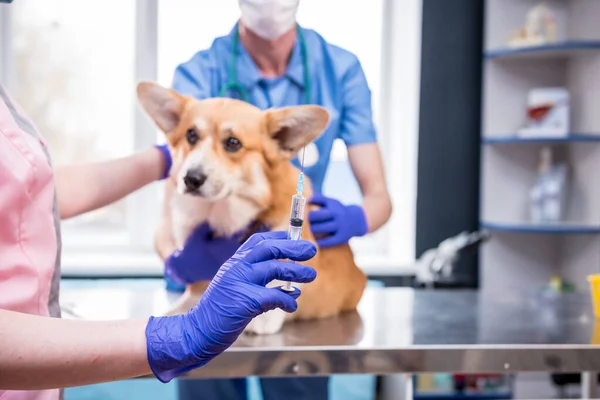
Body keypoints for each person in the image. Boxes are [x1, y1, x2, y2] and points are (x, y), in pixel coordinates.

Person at [0, 69, 318, 399]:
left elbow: (35, 191)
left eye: (231, 143)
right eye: (192, 138)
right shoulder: (201, 66)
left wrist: (160, 159)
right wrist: (173, 334)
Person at [166, 0, 393, 399]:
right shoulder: (203, 70)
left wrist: (355, 218)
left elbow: (380, 198)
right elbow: (182, 177)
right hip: (213, 243)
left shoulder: (339, 69)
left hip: (291, 237)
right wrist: (176, 255)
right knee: (208, 378)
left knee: (296, 375)